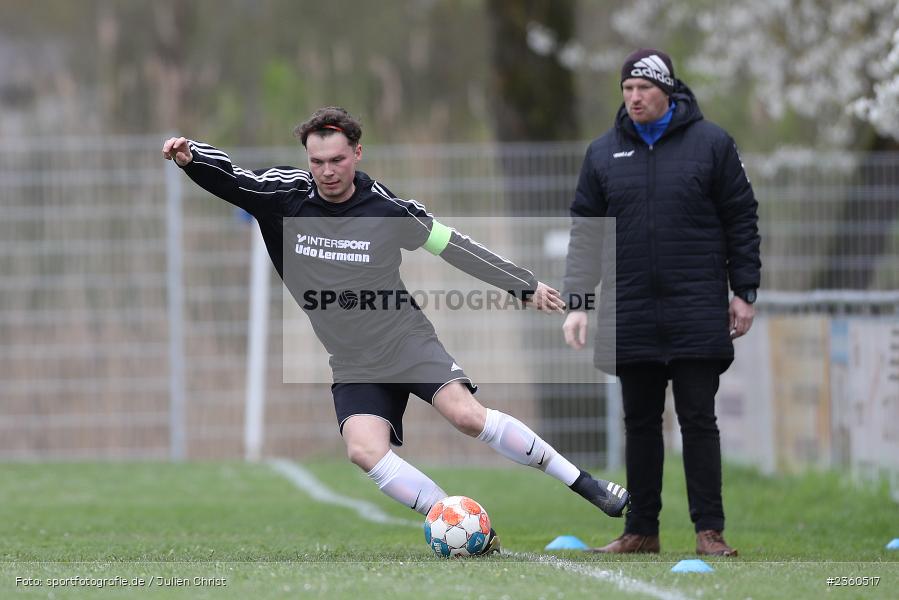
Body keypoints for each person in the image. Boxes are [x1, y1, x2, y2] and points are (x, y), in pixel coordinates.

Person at [162, 106, 630, 555]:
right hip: (352, 359)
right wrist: (191, 158)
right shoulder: (284, 197)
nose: (327, 171)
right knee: (363, 450)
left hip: (404, 339)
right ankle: (458, 521)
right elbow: (234, 180)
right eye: (318, 161)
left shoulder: (385, 208)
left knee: (468, 417)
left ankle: (586, 484)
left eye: (338, 160)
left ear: (358, 154)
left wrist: (523, 286)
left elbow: (454, 246)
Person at [562, 49, 761, 556]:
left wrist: (744, 291)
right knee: (640, 424)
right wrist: (579, 302)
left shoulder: (712, 145)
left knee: (698, 420)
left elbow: (741, 218)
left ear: (667, 90)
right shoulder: (603, 153)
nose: (633, 98)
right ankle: (641, 531)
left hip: (696, 309)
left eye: (643, 89)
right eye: (627, 89)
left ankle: (709, 531)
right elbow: (586, 233)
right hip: (631, 312)